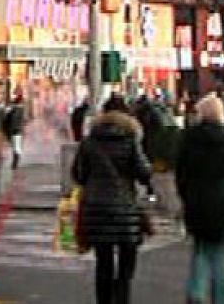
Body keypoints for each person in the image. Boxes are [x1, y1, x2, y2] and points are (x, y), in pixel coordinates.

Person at [72, 95, 153, 304]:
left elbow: (78, 174)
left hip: (96, 209)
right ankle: (122, 298)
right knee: (126, 267)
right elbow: (144, 171)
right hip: (125, 208)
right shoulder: (130, 140)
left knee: (103, 263)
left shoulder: (89, 142)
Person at [176, 95, 224, 304]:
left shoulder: (189, 138)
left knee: (200, 248)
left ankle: (196, 290)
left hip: (196, 198)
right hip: (223, 197)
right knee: (220, 255)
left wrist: (185, 195)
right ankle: (220, 297)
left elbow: (181, 171)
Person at [4, 93, 28, 170]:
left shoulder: (13, 110)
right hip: (18, 130)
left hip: (14, 130)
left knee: (16, 147)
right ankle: (15, 162)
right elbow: (23, 120)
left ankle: (15, 164)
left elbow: (9, 119)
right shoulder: (21, 109)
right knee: (16, 146)